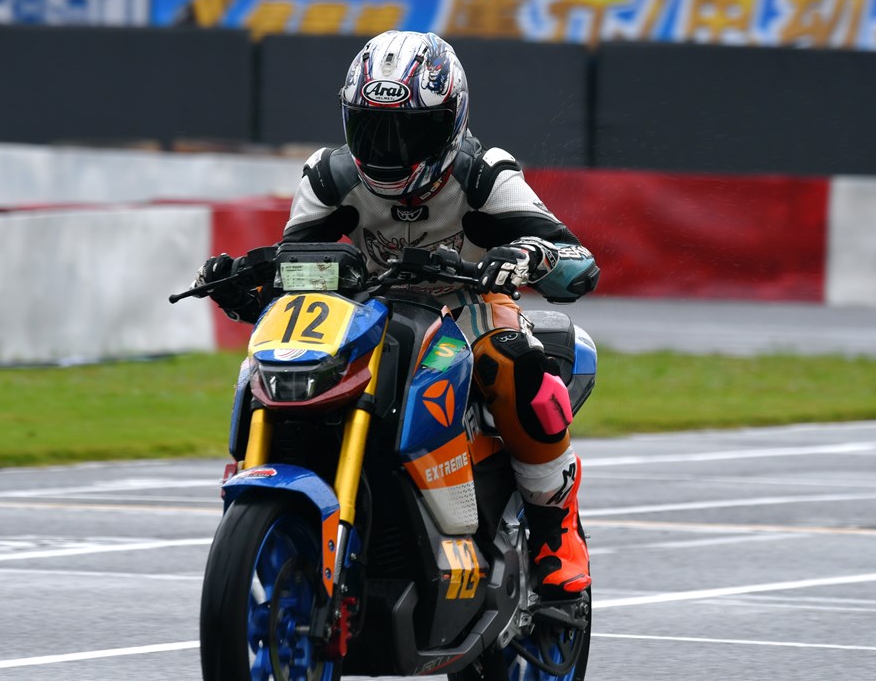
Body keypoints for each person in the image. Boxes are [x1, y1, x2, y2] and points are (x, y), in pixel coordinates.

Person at [198, 31, 599, 598]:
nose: (389, 148)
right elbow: (297, 272)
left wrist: (531, 256)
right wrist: (246, 291)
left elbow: (579, 264)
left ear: (452, 123)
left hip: (467, 306)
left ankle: (555, 524)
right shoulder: (328, 176)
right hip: (364, 311)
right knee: (266, 366)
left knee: (515, 363)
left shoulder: (485, 173)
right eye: (372, 129)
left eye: (411, 131)